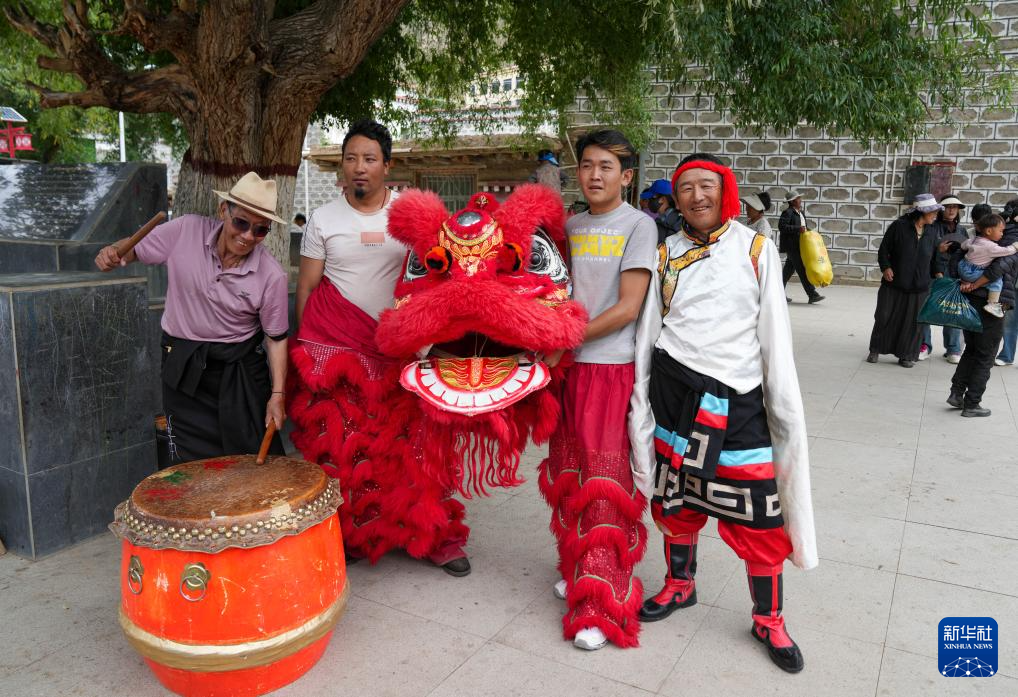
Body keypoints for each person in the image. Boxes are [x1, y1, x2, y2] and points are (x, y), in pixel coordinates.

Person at [638, 153, 816, 673]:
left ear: (725, 190)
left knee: (760, 516)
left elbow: (774, 334)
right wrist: (641, 400)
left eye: (706, 185)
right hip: (674, 394)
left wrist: (781, 406)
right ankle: (679, 584)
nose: (696, 196)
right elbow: (651, 327)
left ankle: (768, 618)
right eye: (686, 187)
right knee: (674, 502)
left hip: (736, 399)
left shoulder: (755, 248)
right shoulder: (666, 251)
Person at [287, 119, 470, 575]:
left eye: (369, 159)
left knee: (415, 446)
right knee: (349, 448)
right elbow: (307, 288)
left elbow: (438, 276)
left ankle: (433, 535)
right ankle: (357, 534)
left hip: (401, 349)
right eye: (350, 158)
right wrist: (309, 356)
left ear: (387, 165)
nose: (359, 167)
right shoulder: (324, 219)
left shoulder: (409, 214)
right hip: (339, 347)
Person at [539, 129, 655, 651]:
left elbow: (628, 307)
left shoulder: (639, 225)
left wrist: (565, 339)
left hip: (609, 368)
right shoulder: (570, 225)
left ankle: (603, 601)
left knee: (605, 481)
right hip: (566, 368)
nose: (594, 175)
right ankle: (579, 566)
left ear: (626, 176)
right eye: (586, 165)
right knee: (570, 470)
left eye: (606, 166)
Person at [94, 172, 288, 462]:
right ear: (223, 211)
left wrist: (277, 395)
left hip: (238, 372)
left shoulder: (271, 275)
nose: (248, 236)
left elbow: (276, 339)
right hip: (183, 365)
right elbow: (134, 248)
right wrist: (113, 252)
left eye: (260, 230)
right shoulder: (185, 230)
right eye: (241, 223)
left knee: (249, 460)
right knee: (188, 460)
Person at [945, 210, 1018, 417]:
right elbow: (997, 270)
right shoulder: (1008, 242)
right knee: (986, 355)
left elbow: (957, 258)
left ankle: (956, 393)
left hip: (971, 298)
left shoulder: (982, 238)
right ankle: (972, 403)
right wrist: (975, 283)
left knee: (972, 349)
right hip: (990, 304)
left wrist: (964, 281)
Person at [866, 194, 942, 368]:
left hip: (920, 286)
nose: (935, 215)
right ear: (923, 212)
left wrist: (939, 275)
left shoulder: (932, 231)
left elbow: (935, 257)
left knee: (913, 322)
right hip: (894, 282)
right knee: (884, 316)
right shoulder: (899, 226)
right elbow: (883, 250)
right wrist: (886, 267)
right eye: (933, 212)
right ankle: (876, 349)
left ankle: (906, 355)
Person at [920, 195, 969, 362]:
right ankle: (924, 345)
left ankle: (953, 349)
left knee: (953, 309)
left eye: (955, 207)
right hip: (930, 275)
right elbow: (922, 252)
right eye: (948, 206)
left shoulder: (962, 230)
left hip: (955, 276)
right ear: (941, 209)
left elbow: (968, 255)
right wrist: (937, 250)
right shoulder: (931, 227)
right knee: (926, 308)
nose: (952, 210)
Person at [957, 214, 1018, 318]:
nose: (1002, 234)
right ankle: (992, 304)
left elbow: (963, 246)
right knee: (997, 281)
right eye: (1000, 231)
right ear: (989, 231)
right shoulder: (991, 247)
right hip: (973, 272)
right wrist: (1015, 246)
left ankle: (966, 281)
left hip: (962, 268)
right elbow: (1007, 251)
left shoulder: (973, 239)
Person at [779, 191, 824, 304]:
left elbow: (804, 227)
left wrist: (811, 233)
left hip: (800, 245)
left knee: (788, 271)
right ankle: (812, 294)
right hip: (792, 246)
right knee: (801, 269)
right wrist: (797, 228)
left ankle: (777, 293)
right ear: (792, 201)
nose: (800, 200)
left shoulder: (801, 212)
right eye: (798, 198)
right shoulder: (788, 212)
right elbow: (782, 226)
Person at [996, 199, 1018, 367]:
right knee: (1009, 320)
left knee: (1010, 321)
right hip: (1010, 282)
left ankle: (1006, 356)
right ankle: (1006, 356)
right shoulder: (1006, 230)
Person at [646, 178, 683, 243]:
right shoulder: (663, 220)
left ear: (662, 199)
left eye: (651, 198)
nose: (648, 201)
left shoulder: (673, 224)